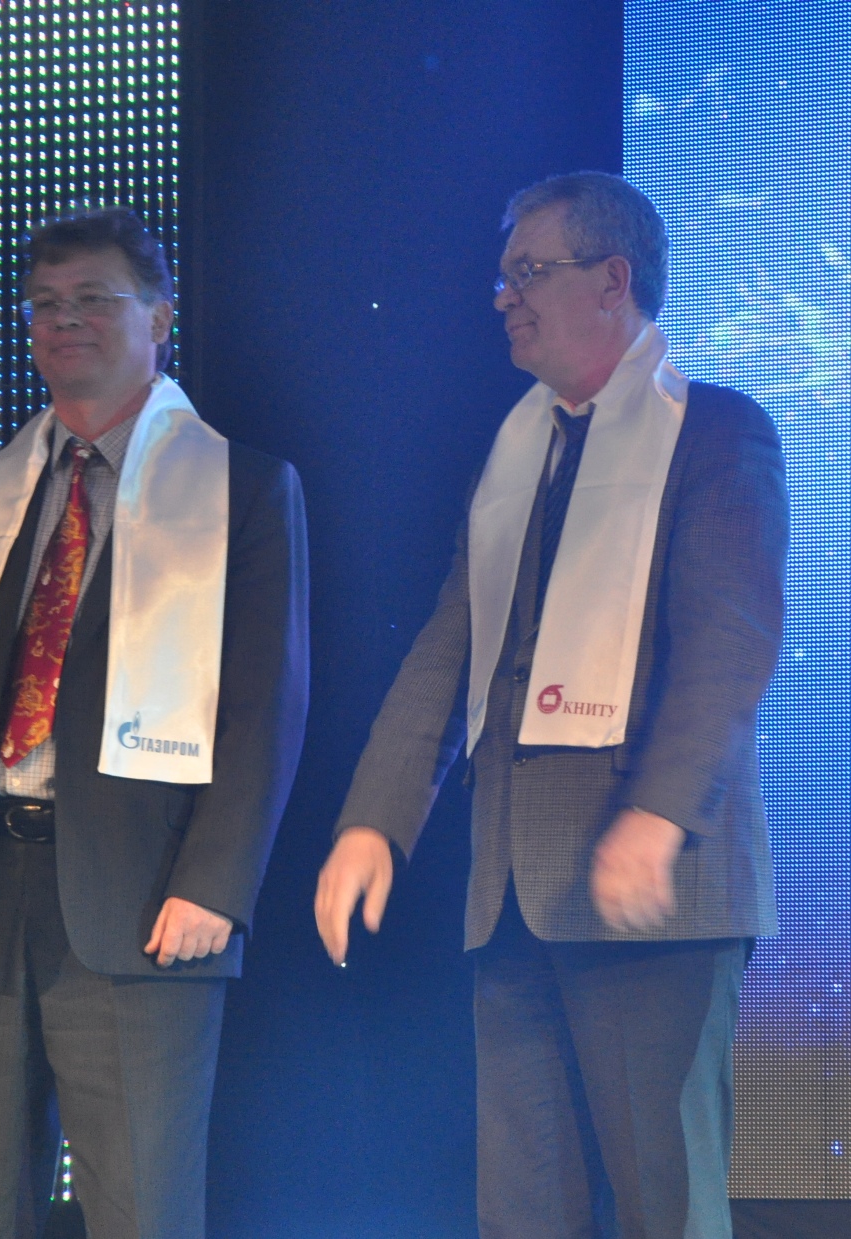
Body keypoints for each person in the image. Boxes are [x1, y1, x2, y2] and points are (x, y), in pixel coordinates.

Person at [315, 171, 787, 1239]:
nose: (502, 297)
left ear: (612, 281)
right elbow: (449, 648)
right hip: (513, 888)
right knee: (524, 1212)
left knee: (664, 1207)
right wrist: (372, 821)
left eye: (528, 272)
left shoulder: (714, 431)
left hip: (654, 893)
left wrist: (658, 814)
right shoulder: (517, 450)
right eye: (503, 276)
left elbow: (728, 647)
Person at [0, 208, 309, 1239]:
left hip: (141, 893)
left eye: (94, 299)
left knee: (142, 1209)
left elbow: (265, 712)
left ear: (161, 317)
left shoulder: (241, 487)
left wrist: (214, 882)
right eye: (45, 305)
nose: (64, 321)